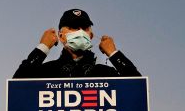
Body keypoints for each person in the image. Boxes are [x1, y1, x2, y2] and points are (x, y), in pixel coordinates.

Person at [12, 9, 141, 78]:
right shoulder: (47, 71)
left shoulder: (104, 73)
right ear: (61, 36)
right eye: (74, 27)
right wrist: (42, 48)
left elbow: (137, 89)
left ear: (90, 35)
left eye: (84, 28)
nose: (80, 32)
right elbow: (17, 87)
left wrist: (113, 54)